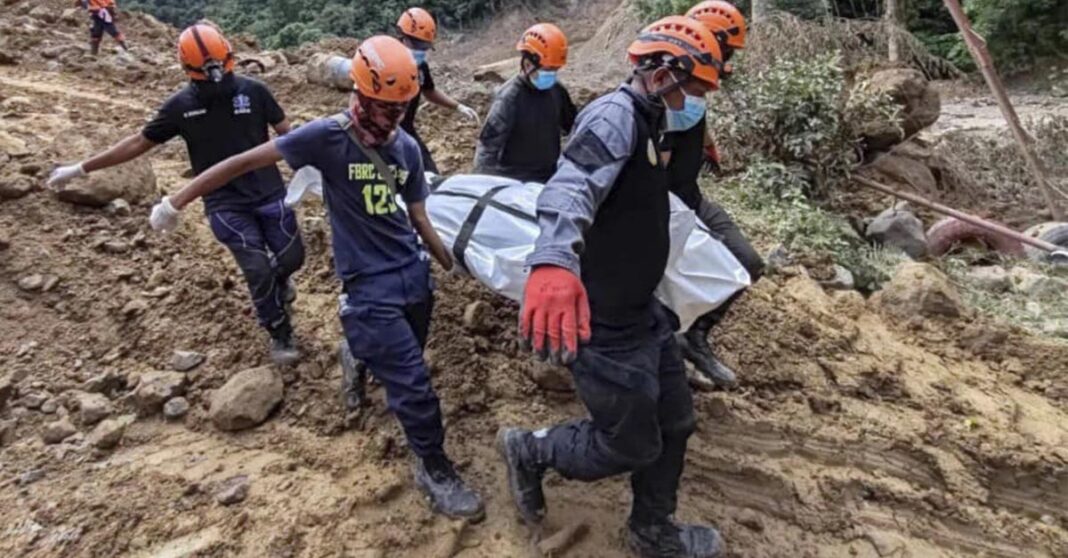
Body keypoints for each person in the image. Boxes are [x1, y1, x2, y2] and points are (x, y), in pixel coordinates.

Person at [147, 36, 485, 521]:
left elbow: (417, 214)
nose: (393, 119)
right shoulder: (325, 138)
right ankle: (434, 467)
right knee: (413, 384)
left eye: (402, 109)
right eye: (386, 108)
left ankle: (357, 353)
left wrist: (447, 261)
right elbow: (241, 162)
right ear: (362, 95)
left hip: (412, 276)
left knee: (410, 348)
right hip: (367, 286)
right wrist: (175, 201)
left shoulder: (406, 147)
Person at [497, 16, 727, 558]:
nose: (696, 98)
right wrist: (553, 260)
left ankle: (653, 531)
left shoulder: (650, 119)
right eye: (694, 86)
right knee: (629, 442)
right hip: (602, 321)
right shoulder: (613, 116)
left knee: (676, 420)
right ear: (666, 71)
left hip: (642, 311)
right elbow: (570, 186)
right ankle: (530, 450)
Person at [47, 24, 303, 365]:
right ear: (188, 71)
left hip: (269, 191)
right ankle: (279, 331)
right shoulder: (180, 107)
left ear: (231, 60)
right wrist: (82, 168)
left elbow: (288, 134)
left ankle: (280, 280)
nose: (216, 80)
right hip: (224, 202)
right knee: (256, 269)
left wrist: (312, 164)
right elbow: (138, 143)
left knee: (291, 257)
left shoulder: (256, 92)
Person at [667, 0, 762, 388]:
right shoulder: (665, 87)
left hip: (690, 196)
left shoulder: (696, 85)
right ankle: (666, 358)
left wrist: (708, 145)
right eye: (727, 49)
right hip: (663, 207)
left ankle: (695, 336)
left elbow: (697, 113)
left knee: (747, 263)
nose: (727, 59)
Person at [473, 23, 577, 183]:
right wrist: (482, 186)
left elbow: (574, 125)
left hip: (548, 177)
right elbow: (487, 148)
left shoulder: (557, 91)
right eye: (548, 70)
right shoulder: (509, 98)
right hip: (514, 182)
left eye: (555, 70)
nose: (552, 75)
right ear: (528, 64)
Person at [395, 7, 481, 174]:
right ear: (402, 36)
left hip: (406, 130)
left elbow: (429, 91)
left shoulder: (420, 67)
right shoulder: (385, 64)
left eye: (424, 46)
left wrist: (458, 106)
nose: (420, 50)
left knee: (429, 173)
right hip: (382, 133)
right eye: (416, 44)